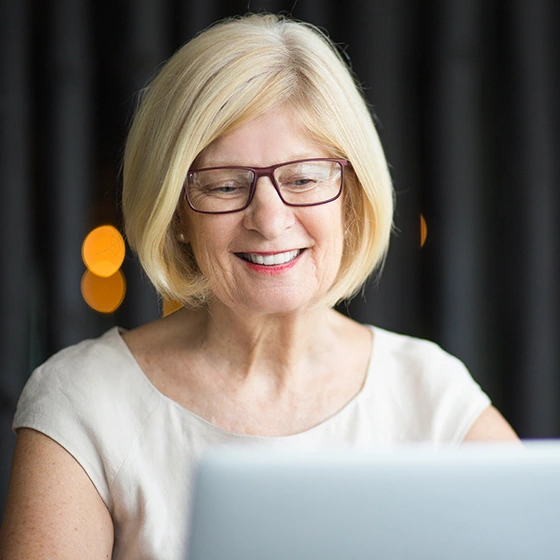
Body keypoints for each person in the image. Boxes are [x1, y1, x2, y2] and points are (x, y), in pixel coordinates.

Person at [0, 13, 518, 560]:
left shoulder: (429, 393)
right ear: (175, 211)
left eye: (303, 178)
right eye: (225, 185)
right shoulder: (83, 403)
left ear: (351, 196)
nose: (269, 220)